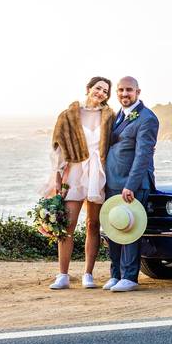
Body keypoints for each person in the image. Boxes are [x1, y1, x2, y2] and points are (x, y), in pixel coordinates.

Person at [46, 76, 116, 290]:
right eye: (98, 88)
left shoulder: (110, 116)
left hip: (99, 173)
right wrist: (57, 176)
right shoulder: (69, 115)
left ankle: (88, 274)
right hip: (75, 172)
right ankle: (63, 275)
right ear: (88, 89)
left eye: (105, 91)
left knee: (93, 225)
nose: (101, 93)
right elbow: (57, 147)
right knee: (68, 225)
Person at [103, 76, 159, 292]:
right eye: (120, 90)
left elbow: (143, 155)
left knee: (130, 230)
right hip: (112, 182)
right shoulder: (117, 116)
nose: (124, 94)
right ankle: (115, 274)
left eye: (128, 90)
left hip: (132, 185)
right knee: (114, 229)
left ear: (138, 92)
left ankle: (129, 277)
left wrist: (131, 185)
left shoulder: (147, 118)